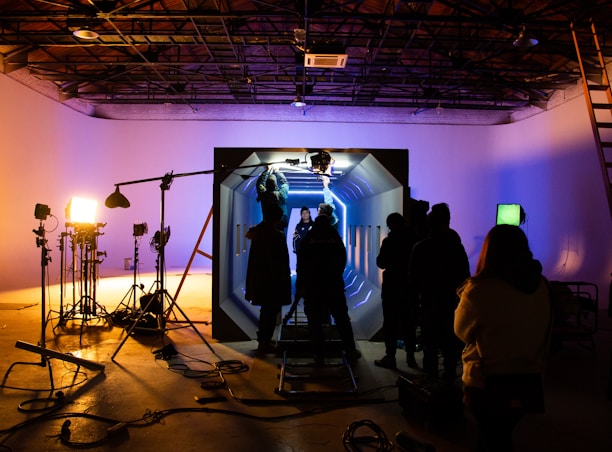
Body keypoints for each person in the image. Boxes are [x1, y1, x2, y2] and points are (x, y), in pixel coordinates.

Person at [455, 224, 551, 452]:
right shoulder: (543, 286)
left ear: (489, 251)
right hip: (529, 380)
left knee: (492, 436)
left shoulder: (478, 290)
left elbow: (460, 331)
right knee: (497, 436)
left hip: (486, 382)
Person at [408, 202, 470, 382]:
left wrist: (414, 305)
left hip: (429, 302)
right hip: (452, 302)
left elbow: (413, 280)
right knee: (450, 343)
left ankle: (431, 379)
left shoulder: (421, 248)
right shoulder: (456, 247)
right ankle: (449, 376)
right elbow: (464, 276)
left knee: (430, 343)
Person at [296, 214, 361, 363]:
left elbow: (302, 263)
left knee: (314, 320)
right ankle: (350, 350)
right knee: (341, 318)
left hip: (313, 286)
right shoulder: (335, 238)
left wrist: (301, 285)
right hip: (333, 285)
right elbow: (342, 259)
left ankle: (319, 354)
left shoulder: (308, 239)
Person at [374, 212, 419, 370]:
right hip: (408, 287)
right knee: (409, 323)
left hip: (392, 287)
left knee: (390, 323)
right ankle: (411, 357)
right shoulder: (414, 240)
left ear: (391, 225)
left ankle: (390, 357)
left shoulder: (389, 241)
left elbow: (381, 262)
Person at [245, 203, 292, 354]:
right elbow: (282, 262)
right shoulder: (277, 236)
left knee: (265, 311)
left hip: (260, 280)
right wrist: (285, 282)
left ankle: (263, 340)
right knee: (271, 312)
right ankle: (264, 343)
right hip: (274, 281)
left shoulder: (257, 235)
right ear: (276, 218)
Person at [256, 165, 289, 233]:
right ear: (276, 185)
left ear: (266, 185)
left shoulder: (263, 195)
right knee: (279, 238)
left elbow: (259, 184)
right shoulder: (281, 195)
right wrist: (277, 171)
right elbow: (285, 183)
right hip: (281, 221)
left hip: (268, 222)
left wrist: (267, 171)